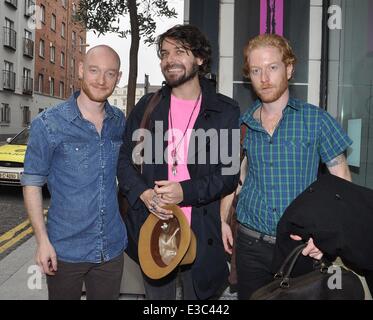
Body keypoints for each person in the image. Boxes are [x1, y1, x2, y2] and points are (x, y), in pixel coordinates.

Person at [220, 34, 352, 299]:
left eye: (272, 67)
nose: (264, 78)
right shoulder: (243, 124)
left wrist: (326, 239)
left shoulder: (316, 120)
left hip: (301, 247)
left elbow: (342, 183)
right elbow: (230, 179)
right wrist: (222, 220)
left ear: (289, 69)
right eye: (256, 70)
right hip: (249, 245)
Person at [117, 24, 240, 300]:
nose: (169, 59)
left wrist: (185, 191)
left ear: (199, 58)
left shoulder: (224, 111)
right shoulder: (148, 106)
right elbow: (124, 161)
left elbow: (229, 175)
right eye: (164, 53)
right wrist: (145, 194)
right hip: (154, 229)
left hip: (202, 231)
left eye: (180, 51)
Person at [21, 45, 127, 300]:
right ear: (80, 70)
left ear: (118, 78)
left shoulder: (119, 122)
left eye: (110, 73)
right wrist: (42, 241)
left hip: (111, 250)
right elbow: (32, 183)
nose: (101, 80)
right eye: (94, 70)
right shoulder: (48, 123)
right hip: (65, 249)